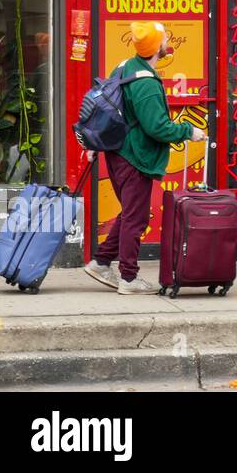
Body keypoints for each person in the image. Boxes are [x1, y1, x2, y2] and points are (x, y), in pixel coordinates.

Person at [83, 21, 206, 294]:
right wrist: (189, 131)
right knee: (136, 218)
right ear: (156, 47)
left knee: (130, 214)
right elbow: (157, 127)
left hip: (118, 152)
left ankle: (101, 262)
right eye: (163, 39)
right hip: (134, 157)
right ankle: (128, 278)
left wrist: (96, 143)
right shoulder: (147, 83)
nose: (167, 43)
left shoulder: (125, 66)